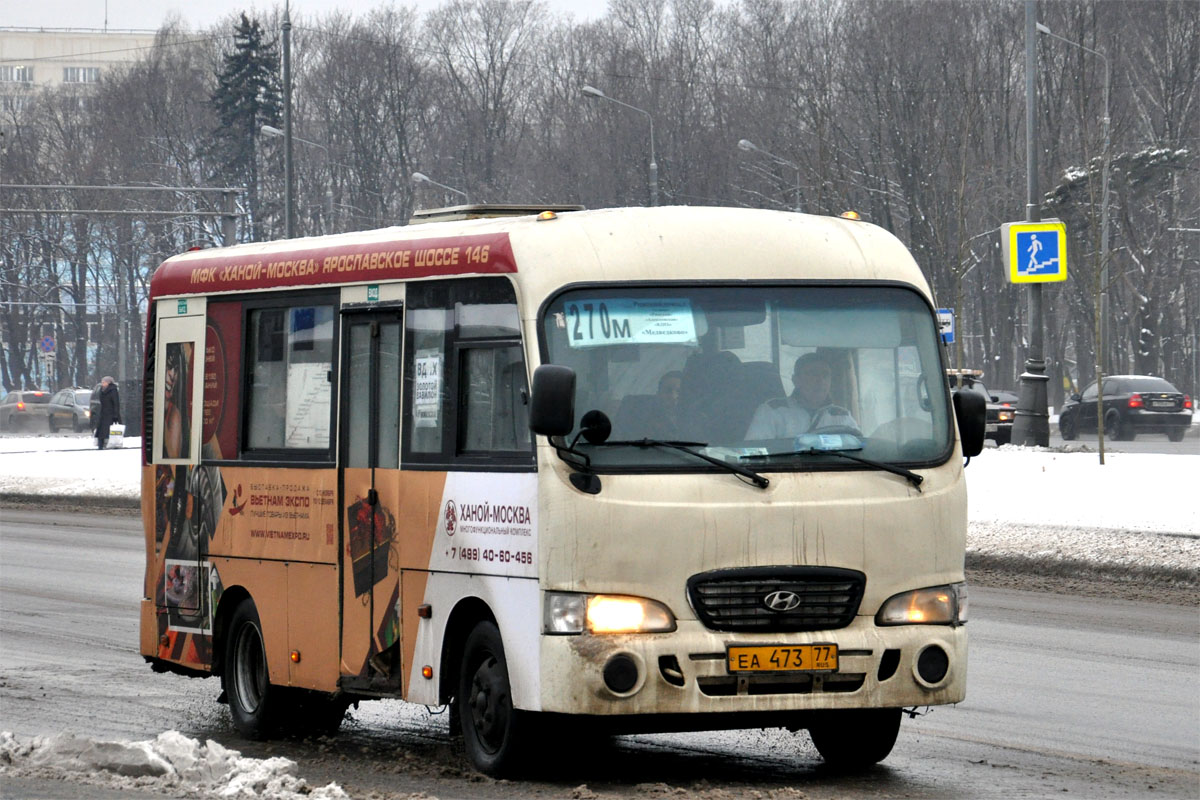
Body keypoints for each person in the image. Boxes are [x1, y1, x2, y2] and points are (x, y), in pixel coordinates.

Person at [744, 353, 858, 440]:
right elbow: (754, 454)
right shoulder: (772, 411)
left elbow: (859, 449)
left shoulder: (842, 416)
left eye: (825, 375)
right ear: (796, 380)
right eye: (812, 374)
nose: (820, 380)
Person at [94, 376, 122, 450]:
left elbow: (116, 403)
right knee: (101, 431)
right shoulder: (102, 390)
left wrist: (115, 415)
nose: (102, 383)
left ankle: (112, 444)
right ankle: (101, 445)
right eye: (102, 382)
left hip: (110, 414)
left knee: (110, 431)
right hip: (103, 413)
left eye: (104, 382)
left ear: (108, 382)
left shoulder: (113, 390)